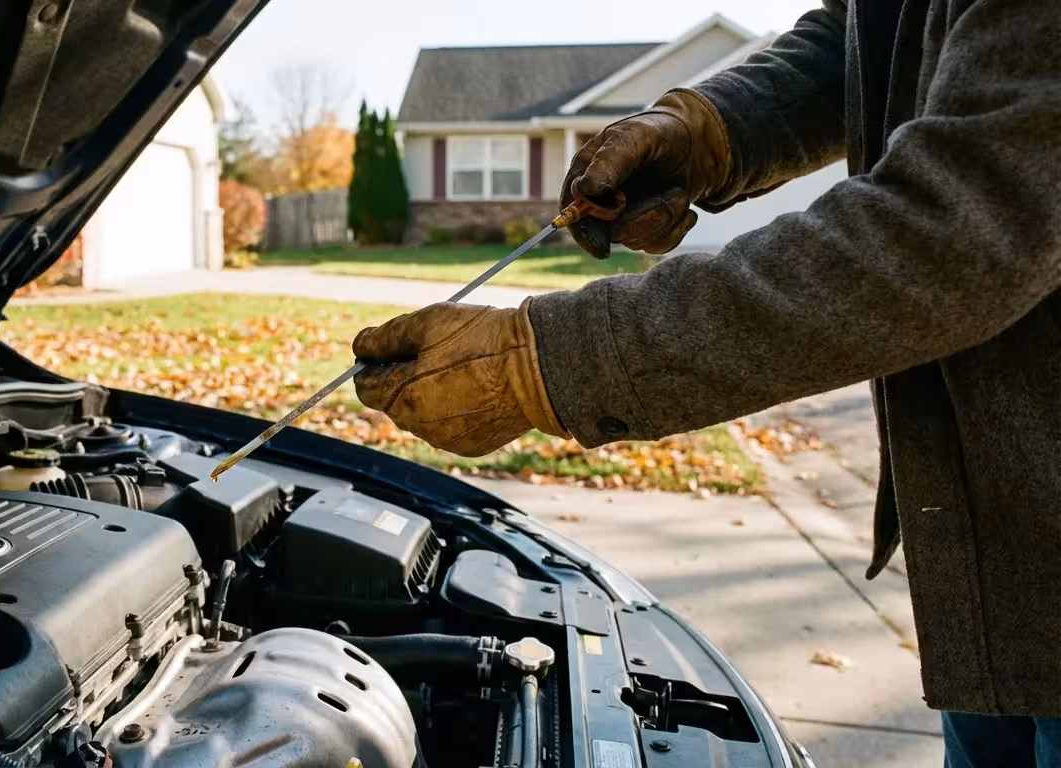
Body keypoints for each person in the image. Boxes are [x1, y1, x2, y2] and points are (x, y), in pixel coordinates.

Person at [350, 2, 1061, 765]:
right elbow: (865, 37)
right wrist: (714, 130)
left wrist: (552, 363)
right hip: (995, 569)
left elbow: (961, 226)